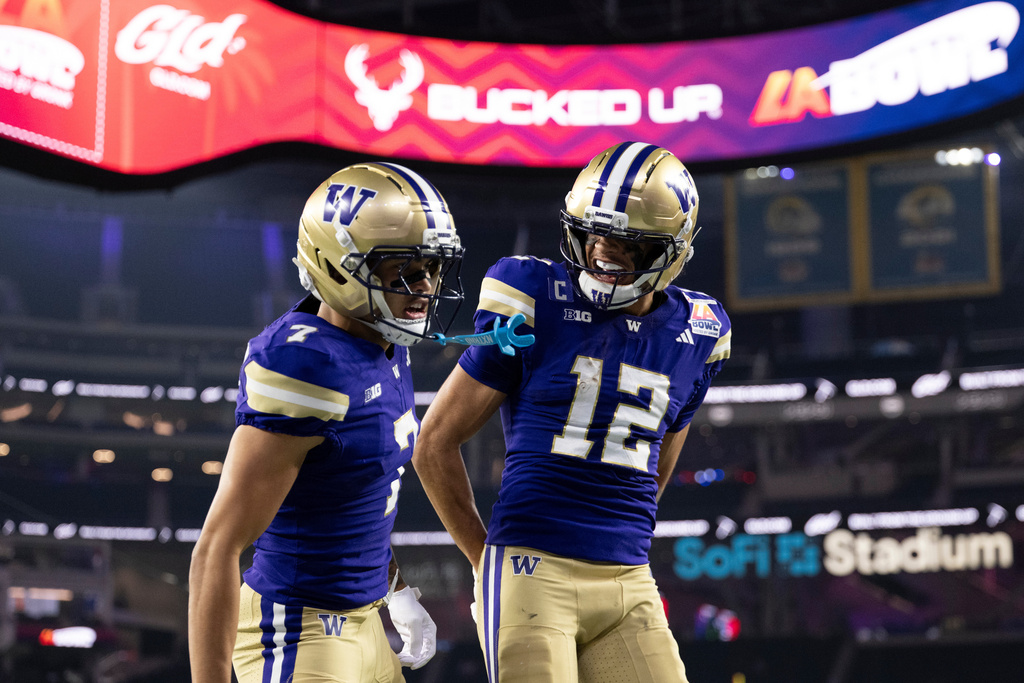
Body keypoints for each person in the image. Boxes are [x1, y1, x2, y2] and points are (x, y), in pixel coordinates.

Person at [412, 141, 731, 683]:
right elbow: (434, 443)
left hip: (629, 578)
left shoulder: (699, 330)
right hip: (532, 569)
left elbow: (657, 460)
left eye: (628, 244)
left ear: (673, 252)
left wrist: (616, 532)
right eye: (593, 233)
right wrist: (486, 560)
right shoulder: (534, 294)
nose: (603, 253)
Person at [188, 161, 466, 683]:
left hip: (365, 624)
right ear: (339, 266)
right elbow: (216, 548)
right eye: (403, 269)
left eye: (430, 267)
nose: (425, 287)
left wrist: (397, 591)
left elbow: (358, 495)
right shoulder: (307, 364)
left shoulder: (386, 344)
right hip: (298, 630)